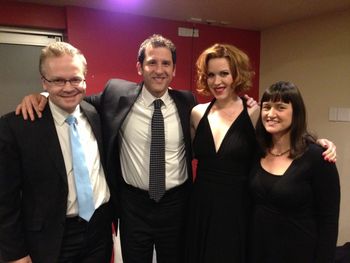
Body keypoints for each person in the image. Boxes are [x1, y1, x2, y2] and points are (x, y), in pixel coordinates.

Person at [14, 34, 197, 263]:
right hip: (133, 206)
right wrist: (40, 95)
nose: (159, 69)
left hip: (176, 204)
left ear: (174, 69)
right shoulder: (116, 94)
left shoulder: (188, 102)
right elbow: (74, 98)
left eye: (166, 63)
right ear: (139, 67)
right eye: (152, 62)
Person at [185, 44, 337, 263]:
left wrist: (317, 142)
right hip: (200, 206)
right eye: (211, 75)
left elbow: (280, 139)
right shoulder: (197, 113)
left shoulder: (255, 113)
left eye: (224, 73)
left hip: (237, 209)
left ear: (236, 75)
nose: (217, 81)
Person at [0, 42, 112, 263]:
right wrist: (16, 254)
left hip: (99, 230)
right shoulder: (16, 126)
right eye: (58, 80)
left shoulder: (94, 112)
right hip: (51, 238)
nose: (68, 87)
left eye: (75, 79)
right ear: (44, 81)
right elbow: (5, 199)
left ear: (85, 79)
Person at [249, 81, 340, 263]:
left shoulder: (317, 157)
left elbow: (328, 221)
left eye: (280, 107)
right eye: (266, 107)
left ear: (296, 112)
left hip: (299, 253)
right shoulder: (256, 151)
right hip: (258, 252)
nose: (271, 114)